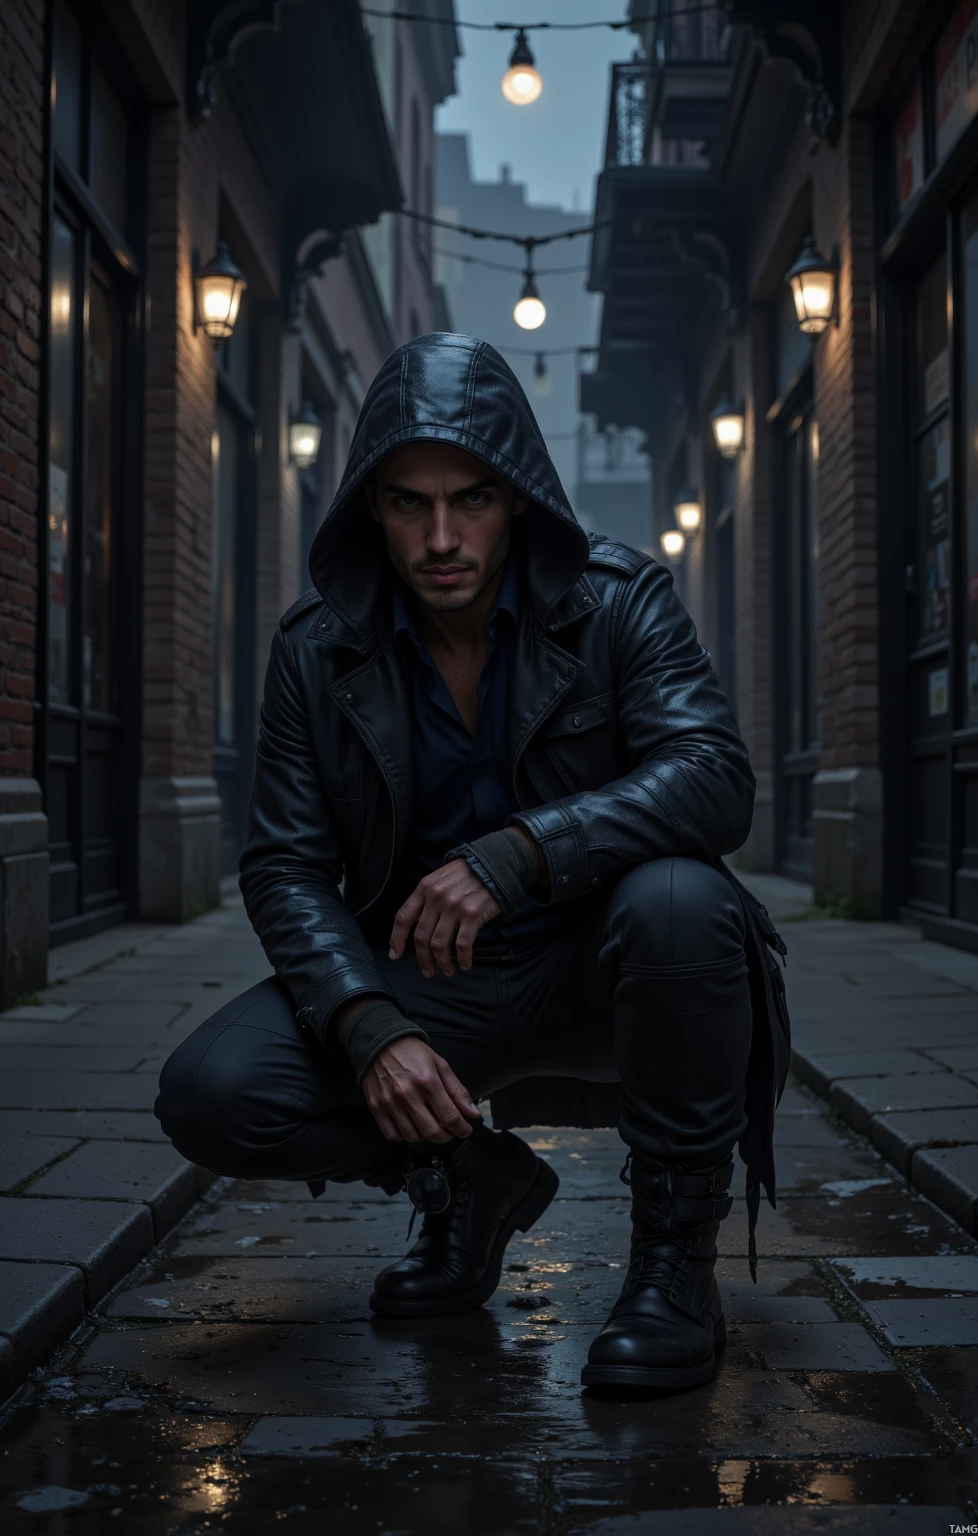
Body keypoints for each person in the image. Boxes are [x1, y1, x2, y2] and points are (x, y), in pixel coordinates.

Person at [156, 333, 783, 1395]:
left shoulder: (618, 600)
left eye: (472, 500)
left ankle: (675, 1274)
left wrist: (520, 853)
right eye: (408, 504)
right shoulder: (317, 647)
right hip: (427, 987)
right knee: (213, 1092)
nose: (441, 537)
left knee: (685, 900)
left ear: (519, 499)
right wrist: (368, 1028)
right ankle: (467, 1184)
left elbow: (715, 777)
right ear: (372, 510)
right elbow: (283, 866)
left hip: (604, 971)